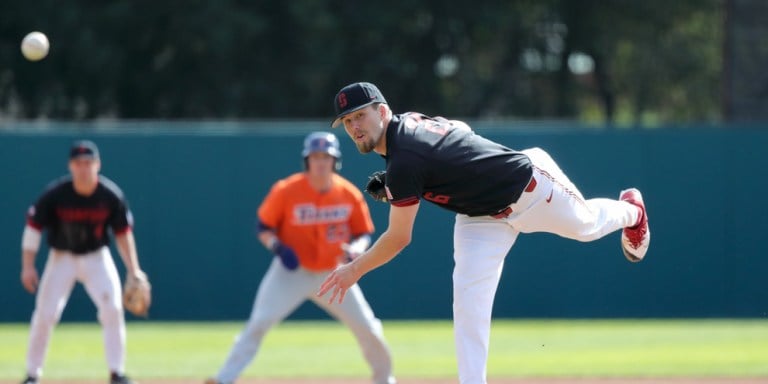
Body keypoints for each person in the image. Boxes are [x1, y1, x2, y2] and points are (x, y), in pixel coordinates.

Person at [318, 82, 650, 384]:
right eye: (347, 122)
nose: (355, 127)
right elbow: (458, 128)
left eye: (360, 116)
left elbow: (398, 238)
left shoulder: (405, 161)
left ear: (383, 111)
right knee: (468, 301)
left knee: (587, 226)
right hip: (479, 215)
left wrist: (353, 269)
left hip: (530, 188)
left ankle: (632, 210)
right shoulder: (407, 131)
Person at [205, 132, 396, 384]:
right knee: (259, 323)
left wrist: (357, 248)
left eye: (325, 157)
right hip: (290, 273)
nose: (320, 162)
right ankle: (224, 379)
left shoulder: (348, 193)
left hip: (334, 274)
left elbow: (363, 233)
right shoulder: (286, 190)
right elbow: (263, 227)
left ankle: (385, 379)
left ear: (335, 161)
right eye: (315, 157)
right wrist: (278, 248)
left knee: (367, 326)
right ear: (307, 161)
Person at [19, 140, 146, 384]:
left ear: (98, 165)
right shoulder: (55, 195)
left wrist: (134, 270)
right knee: (45, 314)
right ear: (70, 166)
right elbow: (33, 229)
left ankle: (116, 373)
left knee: (113, 309)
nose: (84, 168)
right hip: (61, 258)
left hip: (96, 257)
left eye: (88, 163)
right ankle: (32, 375)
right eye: (78, 163)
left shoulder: (109, 195)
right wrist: (27, 265)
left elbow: (123, 234)